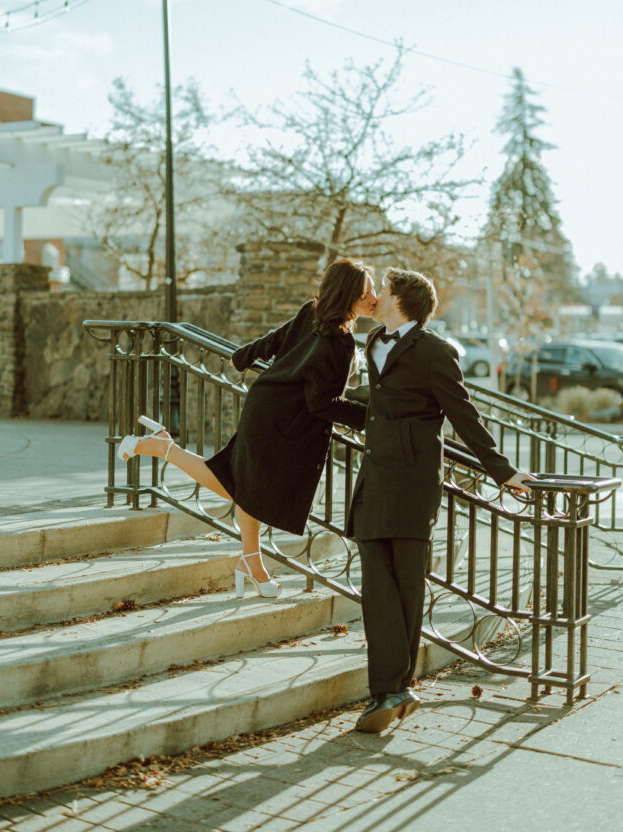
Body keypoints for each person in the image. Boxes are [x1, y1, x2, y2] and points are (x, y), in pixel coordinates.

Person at [118, 258, 374, 598]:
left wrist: (242, 356)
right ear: (348, 297)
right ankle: (160, 447)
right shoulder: (339, 341)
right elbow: (321, 404)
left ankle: (250, 563)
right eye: (366, 293)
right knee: (246, 492)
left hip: (268, 409)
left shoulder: (311, 313)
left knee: (250, 491)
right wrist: (371, 419)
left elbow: (274, 341)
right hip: (282, 424)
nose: (372, 298)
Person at [348, 267, 533, 734]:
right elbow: (376, 408)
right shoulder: (373, 345)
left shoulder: (435, 352)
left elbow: (462, 413)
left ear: (400, 301)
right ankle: (390, 690)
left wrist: (503, 471)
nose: (377, 297)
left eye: (383, 291)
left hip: (413, 483)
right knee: (377, 587)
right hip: (374, 480)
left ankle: (392, 690)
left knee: (406, 586)